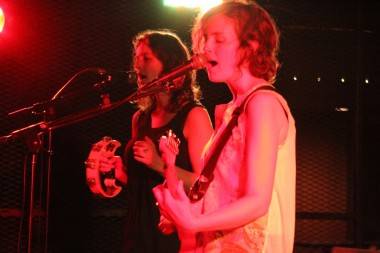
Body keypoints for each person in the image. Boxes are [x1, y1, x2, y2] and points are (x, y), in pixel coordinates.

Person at [153, 1, 296, 253]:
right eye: (205, 38)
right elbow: (223, 192)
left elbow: (257, 202)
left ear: (250, 46)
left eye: (218, 39)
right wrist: (187, 211)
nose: (206, 47)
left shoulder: (262, 103)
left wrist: (194, 220)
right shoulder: (231, 110)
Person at [104, 29, 213, 253]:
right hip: (137, 231)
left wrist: (159, 164)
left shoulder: (194, 116)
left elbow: (206, 186)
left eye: (146, 58)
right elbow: (144, 185)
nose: (137, 64)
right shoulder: (140, 118)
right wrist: (121, 173)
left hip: (174, 234)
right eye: (136, 57)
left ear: (171, 66)